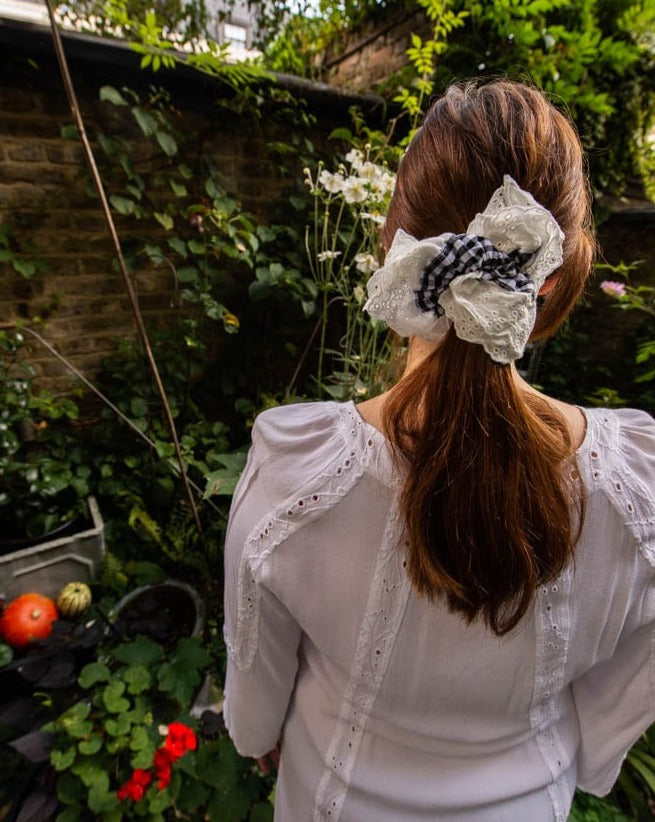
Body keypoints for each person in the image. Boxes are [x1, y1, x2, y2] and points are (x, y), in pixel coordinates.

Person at [222, 80, 655, 821]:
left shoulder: (298, 471)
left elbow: (254, 708)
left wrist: (256, 733)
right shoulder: (636, 489)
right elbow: (613, 715)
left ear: (394, 250)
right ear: (556, 276)